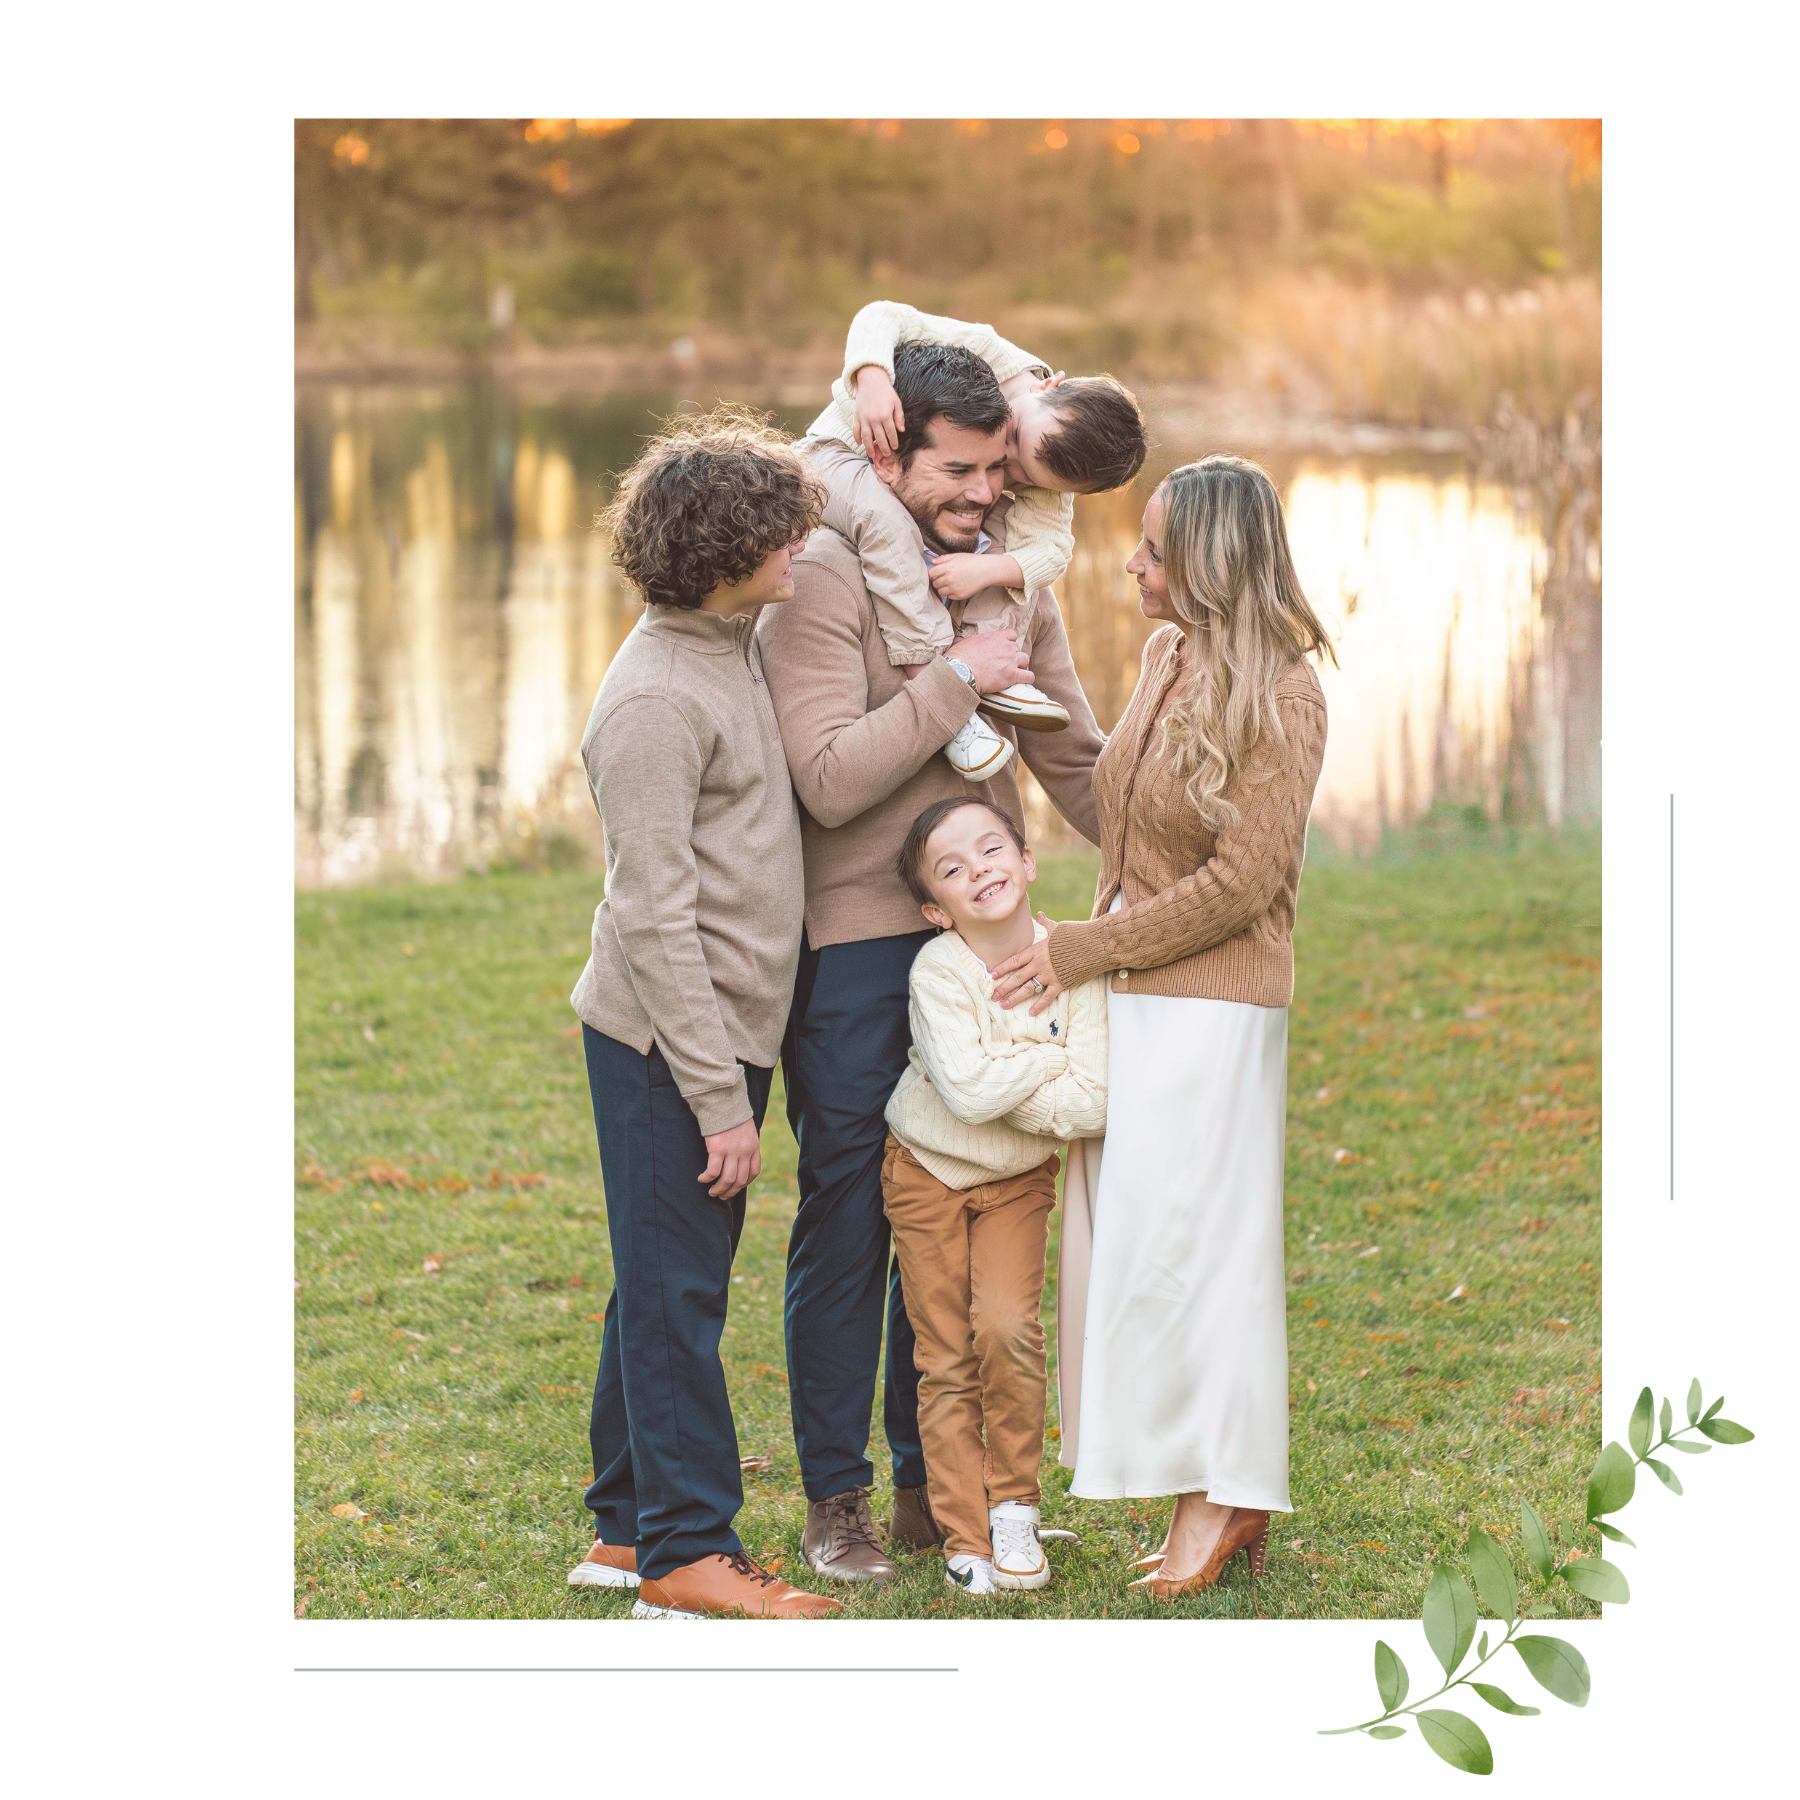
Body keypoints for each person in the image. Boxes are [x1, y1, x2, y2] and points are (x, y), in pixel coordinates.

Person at [757, 340, 1105, 1588]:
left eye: (995, 473)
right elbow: (829, 778)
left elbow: (1071, 753)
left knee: (961, 1220)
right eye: (956, 474)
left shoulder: (1005, 566)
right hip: (855, 946)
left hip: (986, 950)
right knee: (852, 1220)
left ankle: (934, 1491)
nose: (980, 497)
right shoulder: (819, 572)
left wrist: (1173, 863)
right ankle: (835, 1501)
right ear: (887, 449)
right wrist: (958, 680)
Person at [989, 455, 1335, 1599]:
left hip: (1215, 1012)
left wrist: (1083, 951)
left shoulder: (1284, 694)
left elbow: (1243, 884)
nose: (1131, 562)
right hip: (1140, 1000)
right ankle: (1203, 1484)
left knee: (1204, 1257)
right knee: (1145, 1254)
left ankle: (1226, 1495)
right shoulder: (1168, 654)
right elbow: (1125, 813)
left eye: (1153, 548)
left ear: (1210, 563)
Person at [563, 408, 839, 1620]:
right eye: (780, 538)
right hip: (675, 1040)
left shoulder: (725, 640)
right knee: (680, 1296)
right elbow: (653, 917)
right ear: (723, 552)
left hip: (725, 1029)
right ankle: (686, 1550)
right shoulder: (655, 701)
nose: (800, 554)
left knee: (659, 1279)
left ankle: (625, 1526)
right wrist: (720, 1101)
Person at [882, 797, 1106, 1598]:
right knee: (942, 1355)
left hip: (1016, 1182)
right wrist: (1045, 1058)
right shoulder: (937, 972)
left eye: (990, 849)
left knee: (1008, 1330)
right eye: (952, 868)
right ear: (935, 910)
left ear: (1028, 861)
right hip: (926, 1169)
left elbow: (1098, 1099)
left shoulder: (1076, 963)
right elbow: (967, 1097)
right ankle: (964, 1531)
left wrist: (1005, 1067)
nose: (978, 868)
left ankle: (1014, 1506)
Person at [801, 300, 1146, 777]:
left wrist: (988, 569)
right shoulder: (988, 351)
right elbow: (882, 315)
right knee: (885, 521)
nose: (1003, 461)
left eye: (1020, 473)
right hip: (832, 455)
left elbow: (1051, 549)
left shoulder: (1053, 466)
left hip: (900, 475)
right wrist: (873, 377)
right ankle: (936, 674)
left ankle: (990, 665)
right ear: (1049, 385)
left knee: (1008, 551)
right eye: (1016, 438)